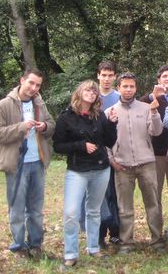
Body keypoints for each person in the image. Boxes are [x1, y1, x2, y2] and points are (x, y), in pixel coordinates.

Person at [0, 68, 55, 259]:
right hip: (16, 165)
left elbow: (51, 125)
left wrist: (45, 127)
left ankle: (36, 245)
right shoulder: (4, 105)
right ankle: (19, 247)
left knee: (36, 209)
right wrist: (20, 128)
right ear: (22, 80)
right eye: (31, 83)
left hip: (38, 163)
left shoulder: (39, 104)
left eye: (38, 85)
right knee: (17, 209)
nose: (34, 88)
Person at [53, 81, 118, 268]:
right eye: (88, 89)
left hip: (100, 169)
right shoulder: (66, 117)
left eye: (94, 91)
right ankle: (71, 254)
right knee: (71, 213)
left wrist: (113, 124)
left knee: (94, 211)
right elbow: (58, 146)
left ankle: (93, 248)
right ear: (79, 93)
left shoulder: (99, 116)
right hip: (77, 171)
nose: (91, 93)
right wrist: (80, 146)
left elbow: (109, 141)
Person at [107, 72, 163, 253]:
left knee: (153, 204)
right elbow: (104, 140)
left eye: (131, 86)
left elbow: (156, 131)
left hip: (146, 162)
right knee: (125, 207)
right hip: (122, 166)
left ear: (136, 88)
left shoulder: (146, 108)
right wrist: (112, 160)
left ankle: (156, 240)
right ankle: (126, 242)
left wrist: (154, 112)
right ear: (118, 88)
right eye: (125, 86)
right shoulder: (110, 112)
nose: (128, 89)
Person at [140, 65, 168, 238]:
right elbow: (137, 106)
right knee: (154, 195)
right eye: (165, 76)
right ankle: (156, 234)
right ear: (159, 80)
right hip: (154, 153)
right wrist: (152, 96)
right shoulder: (151, 98)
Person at [95, 60, 121, 247]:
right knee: (99, 195)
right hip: (95, 154)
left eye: (110, 75)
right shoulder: (90, 96)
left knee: (115, 194)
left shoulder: (120, 98)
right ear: (98, 76)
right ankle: (99, 234)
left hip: (117, 152)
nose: (106, 79)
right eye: (103, 75)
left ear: (114, 77)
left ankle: (115, 231)